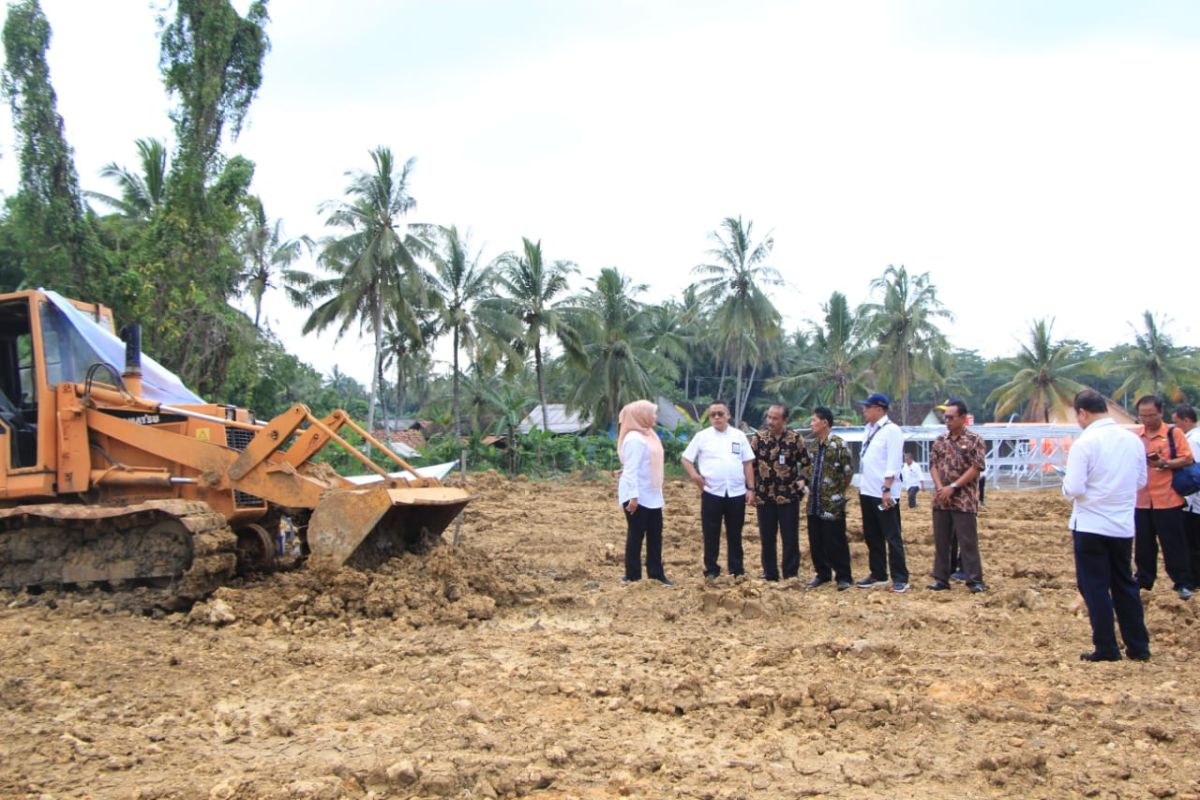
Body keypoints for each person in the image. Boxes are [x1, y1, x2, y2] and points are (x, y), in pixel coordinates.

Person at [1062, 389, 1151, 662]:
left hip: (1090, 523)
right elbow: (1140, 481)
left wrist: (1068, 486)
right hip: (1122, 525)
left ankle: (1106, 646)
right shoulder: (1132, 440)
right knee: (1124, 583)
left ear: (1083, 413)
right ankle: (1138, 646)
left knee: (1094, 586)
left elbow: (1074, 488)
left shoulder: (1085, 443)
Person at [681, 400, 756, 578]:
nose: (716, 417)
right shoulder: (702, 436)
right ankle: (712, 570)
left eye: (720, 414)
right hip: (712, 492)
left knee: (735, 534)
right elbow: (686, 459)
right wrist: (695, 476)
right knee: (711, 533)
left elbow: (747, 463)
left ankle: (737, 570)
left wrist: (751, 488)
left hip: (736, 492)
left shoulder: (739, 436)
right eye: (712, 414)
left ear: (728, 415)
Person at [1133, 395, 1195, 600]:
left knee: (1173, 543)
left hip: (1167, 498)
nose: (1147, 420)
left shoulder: (1173, 433)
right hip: (1141, 499)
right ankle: (1144, 580)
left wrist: (1165, 464)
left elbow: (1187, 458)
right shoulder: (1135, 436)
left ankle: (1183, 582)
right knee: (1143, 543)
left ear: (1160, 413)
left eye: (1151, 415)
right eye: (1142, 416)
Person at [927, 398, 987, 593]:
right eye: (945, 417)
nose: (947, 421)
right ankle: (941, 578)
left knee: (967, 541)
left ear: (963, 418)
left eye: (951, 417)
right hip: (941, 499)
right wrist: (940, 488)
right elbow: (933, 465)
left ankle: (974, 580)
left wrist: (952, 487)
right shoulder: (939, 441)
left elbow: (976, 467)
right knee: (942, 542)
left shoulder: (974, 439)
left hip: (964, 499)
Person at [855, 392, 910, 592]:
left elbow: (893, 462)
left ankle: (900, 577)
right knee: (872, 535)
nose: (864, 410)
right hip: (867, 490)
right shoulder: (868, 430)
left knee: (891, 535)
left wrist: (887, 488)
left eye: (868, 407)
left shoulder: (892, 431)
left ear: (879, 409)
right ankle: (877, 573)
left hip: (883, 492)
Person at [749, 404, 811, 582]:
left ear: (785, 420)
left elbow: (807, 463)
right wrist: (750, 489)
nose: (770, 421)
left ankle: (791, 573)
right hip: (764, 496)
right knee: (767, 538)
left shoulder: (795, 438)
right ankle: (770, 573)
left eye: (775, 418)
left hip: (789, 497)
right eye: (769, 417)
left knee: (790, 538)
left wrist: (802, 479)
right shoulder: (758, 438)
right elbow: (750, 465)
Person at [617, 399, 671, 586]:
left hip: (652, 495)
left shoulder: (649, 435)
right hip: (637, 496)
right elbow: (631, 470)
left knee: (655, 535)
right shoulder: (634, 439)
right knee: (636, 535)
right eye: (652, 413)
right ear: (641, 415)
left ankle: (656, 574)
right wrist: (633, 497)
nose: (655, 417)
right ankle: (632, 575)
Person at [804, 406, 855, 590]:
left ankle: (843, 576)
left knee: (835, 540)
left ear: (825, 422)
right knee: (816, 540)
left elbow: (848, 472)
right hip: (814, 502)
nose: (811, 423)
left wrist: (837, 492)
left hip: (831, 503)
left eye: (814, 420)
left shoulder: (839, 445)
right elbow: (808, 470)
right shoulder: (813, 445)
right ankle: (822, 574)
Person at [1171, 404, 1200, 588]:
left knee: (1192, 543)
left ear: (1187, 420)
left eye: (1177, 422)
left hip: (1194, 501)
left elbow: (1194, 472)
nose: (1175, 427)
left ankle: (1193, 580)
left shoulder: (1192, 441)